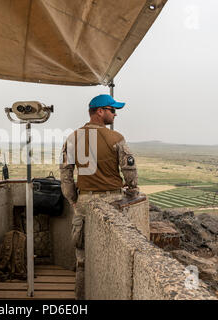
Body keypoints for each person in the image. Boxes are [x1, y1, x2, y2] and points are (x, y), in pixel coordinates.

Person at [59, 94, 139, 300]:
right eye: (113, 110)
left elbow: (65, 174)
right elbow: (129, 169)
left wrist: (72, 199)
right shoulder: (116, 138)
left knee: (82, 259)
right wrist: (132, 190)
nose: (115, 114)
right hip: (112, 202)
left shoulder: (72, 138)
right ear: (100, 112)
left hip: (84, 201)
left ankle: (80, 299)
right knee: (111, 257)